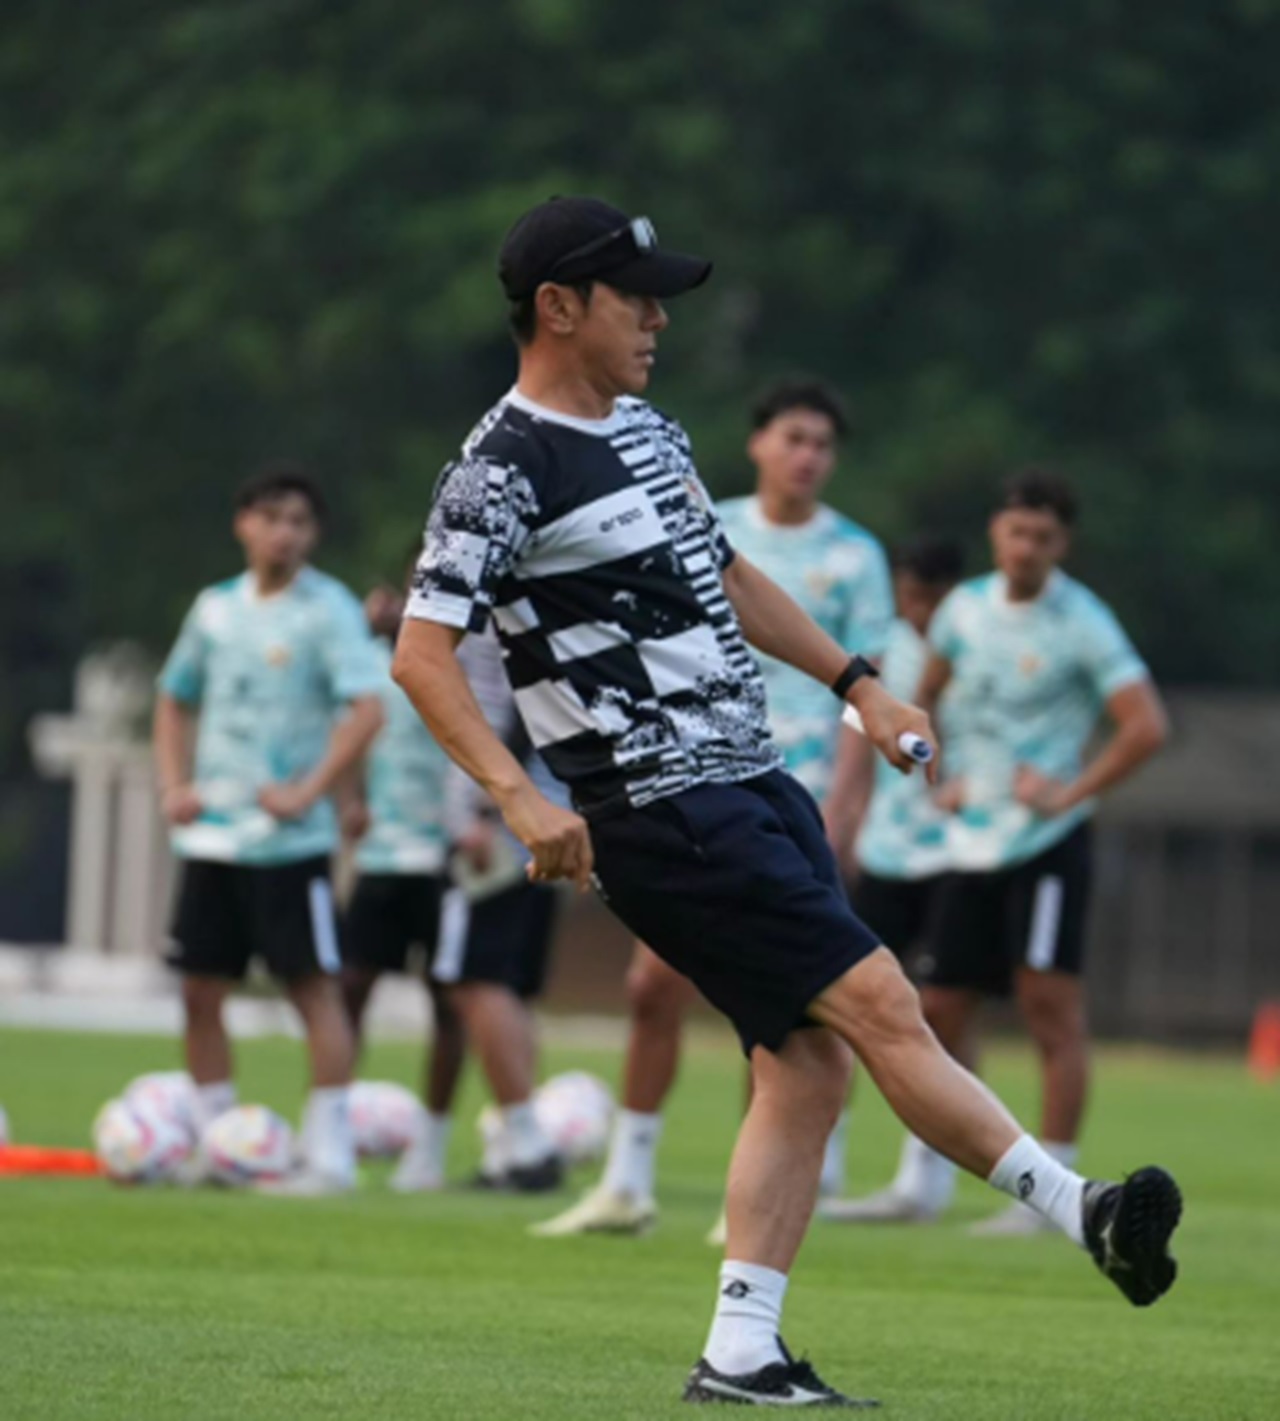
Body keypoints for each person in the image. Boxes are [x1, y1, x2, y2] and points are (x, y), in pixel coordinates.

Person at [391, 197, 1183, 1407]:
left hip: (756, 781)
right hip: (657, 806)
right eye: (634, 295)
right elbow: (421, 653)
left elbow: (725, 571)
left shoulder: (648, 429)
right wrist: (517, 795)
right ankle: (1088, 1211)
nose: (658, 315)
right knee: (878, 996)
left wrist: (857, 684)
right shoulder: (500, 469)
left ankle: (742, 1353)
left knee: (806, 1065)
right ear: (557, 308)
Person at [533, 377, 894, 1240]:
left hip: (793, 786)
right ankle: (627, 1176)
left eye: (823, 444)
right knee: (653, 985)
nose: (808, 456)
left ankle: (760, 1186)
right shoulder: (698, 509)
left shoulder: (855, 555)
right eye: (794, 437)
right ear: (759, 443)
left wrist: (847, 801)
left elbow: (864, 679)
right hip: (694, 776)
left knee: (789, 1000)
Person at [832, 470, 1170, 1235]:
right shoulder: (964, 609)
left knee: (1050, 1006)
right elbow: (931, 694)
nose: (1026, 549)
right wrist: (938, 775)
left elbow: (1145, 724)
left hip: (1045, 843)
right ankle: (922, 1181)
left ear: (1062, 545)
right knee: (937, 1008)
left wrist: (1072, 789)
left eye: (1044, 538)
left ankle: (1059, 1188)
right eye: (1017, 533)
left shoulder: (1082, 620)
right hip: (971, 840)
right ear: (997, 533)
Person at [153, 463, 384, 1194]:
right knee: (199, 990)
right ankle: (218, 1140)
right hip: (213, 836)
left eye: (300, 522)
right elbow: (172, 696)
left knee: (312, 988)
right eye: (272, 517)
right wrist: (174, 786)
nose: (285, 533)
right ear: (243, 523)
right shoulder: (214, 609)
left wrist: (309, 790)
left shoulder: (330, 610)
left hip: (290, 842)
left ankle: (330, 1153)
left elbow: (367, 709)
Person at [341, 588, 562, 1191]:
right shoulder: (530, 597)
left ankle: (527, 1142)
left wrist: (489, 808)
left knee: (473, 981)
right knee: (502, 984)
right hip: (533, 817)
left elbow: (520, 702)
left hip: (493, 825)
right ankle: (519, 1139)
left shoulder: (504, 605)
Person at [820, 534, 964, 1222]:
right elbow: (854, 754)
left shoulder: (972, 644)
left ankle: (926, 1175)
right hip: (885, 852)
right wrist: (837, 826)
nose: (920, 610)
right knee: (844, 1003)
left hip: (954, 851)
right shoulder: (874, 660)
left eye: (932, 598)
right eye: (911, 595)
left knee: (939, 1009)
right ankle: (824, 1162)